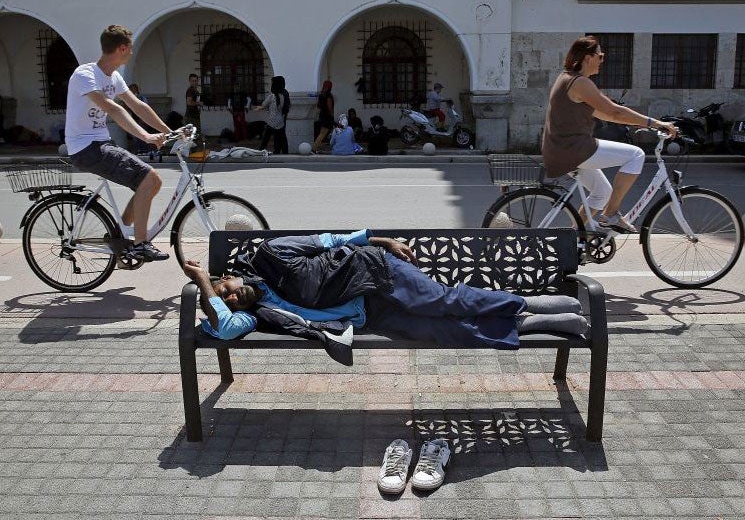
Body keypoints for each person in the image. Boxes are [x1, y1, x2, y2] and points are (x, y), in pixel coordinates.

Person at [182, 230, 588, 365]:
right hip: (366, 316)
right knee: (439, 332)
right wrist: (203, 284)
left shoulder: (271, 253)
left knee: (443, 303)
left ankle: (527, 304)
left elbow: (329, 239)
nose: (232, 300)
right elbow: (227, 328)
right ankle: (533, 324)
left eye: (225, 290)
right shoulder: (260, 313)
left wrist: (381, 240)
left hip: (375, 272)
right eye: (226, 302)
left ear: (231, 276)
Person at [542, 36, 677, 233]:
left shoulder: (566, 78)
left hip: (560, 150)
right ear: (588, 57)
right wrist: (655, 123)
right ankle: (610, 214)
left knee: (601, 192)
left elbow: (609, 115)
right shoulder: (580, 83)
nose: (602, 61)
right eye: (601, 56)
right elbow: (614, 111)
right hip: (573, 150)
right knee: (636, 155)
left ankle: (574, 237)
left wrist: (643, 123)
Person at [65, 25, 171, 262]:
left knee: (150, 184)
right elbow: (113, 108)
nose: (131, 53)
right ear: (122, 48)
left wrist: (168, 131)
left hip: (101, 144)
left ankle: (120, 240)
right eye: (130, 49)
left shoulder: (114, 77)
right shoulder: (85, 74)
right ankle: (140, 244)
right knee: (150, 178)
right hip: (86, 148)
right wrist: (146, 137)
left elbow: (137, 106)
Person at [254, 76, 290, 154]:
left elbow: (264, 104)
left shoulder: (273, 95)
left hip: (272, 120)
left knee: (266, 137)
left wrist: (259, 108)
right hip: (281, 120)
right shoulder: (285, 93)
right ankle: (283, 152)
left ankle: (260, 151)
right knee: (281, 137)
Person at [312, 80, 334, 151]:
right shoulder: (328, 95)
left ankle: (316, 148)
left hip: (322, 115)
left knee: (322, 133)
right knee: (322, 134)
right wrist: (331, 115)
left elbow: (318, 106)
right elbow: (329, 107)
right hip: (327, 117)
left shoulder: (321, 95)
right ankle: (314, 148)